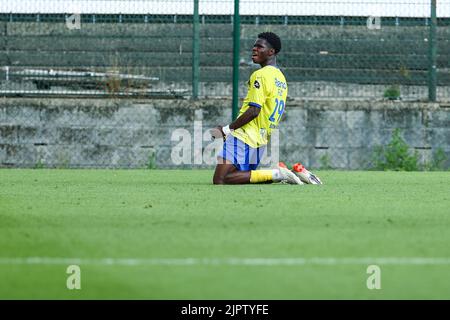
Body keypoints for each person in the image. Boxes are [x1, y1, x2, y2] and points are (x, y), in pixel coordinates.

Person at [211, 32, 302, 185]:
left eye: (260, 47)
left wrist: (227, 130)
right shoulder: (281, 78)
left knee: (221, 179)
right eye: (254, 46)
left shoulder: (260, 75)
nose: (254, 49)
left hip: (245, 135)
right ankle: (277, 175)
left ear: (271, 52)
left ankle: (276, 173)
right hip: (261, 140)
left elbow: (254, 110)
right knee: (242, 177)